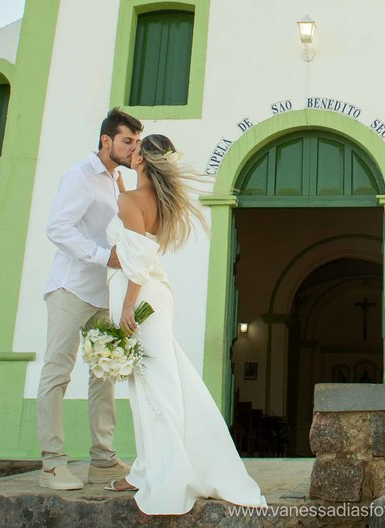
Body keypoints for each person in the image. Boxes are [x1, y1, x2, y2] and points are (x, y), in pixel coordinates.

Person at [102, 133, 268, 515]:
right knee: (154, 381)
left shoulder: (130, 201)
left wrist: (128, 307)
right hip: (157, 296)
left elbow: (137, 261)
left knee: (153, 386)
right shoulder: (158, 201)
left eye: (136, 148)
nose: (131, 151)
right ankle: (146, 468)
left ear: (142, 160)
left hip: (139, 297)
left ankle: (166, 473)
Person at [37, 108, 143, 491]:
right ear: (106, 140)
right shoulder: (80, 176)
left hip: (104, 293)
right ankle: (52, 464)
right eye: (127, 141)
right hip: (70, 288)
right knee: (57, 372)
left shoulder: (118, 182)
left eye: (136, 142)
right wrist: (104, 257)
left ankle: (103, 459)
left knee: (105, 375)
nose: (133, 149)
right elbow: (58, 228)